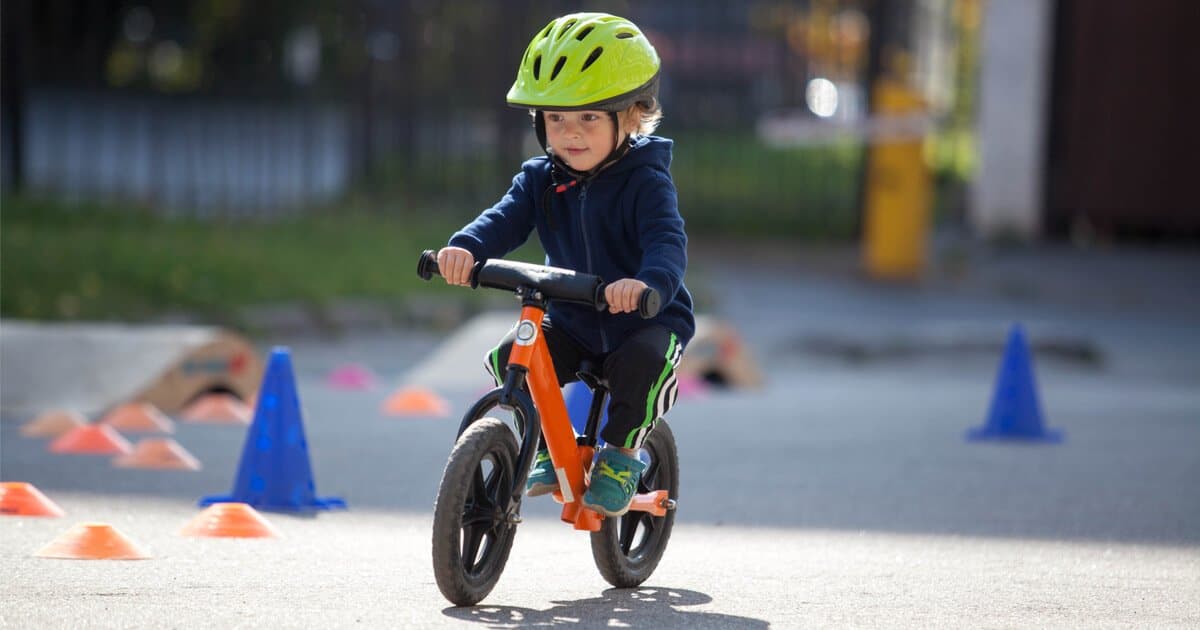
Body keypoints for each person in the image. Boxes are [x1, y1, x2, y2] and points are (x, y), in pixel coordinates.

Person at [436, 12, 694, 518]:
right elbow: (504, 219)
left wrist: (646, 283)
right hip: (574, 317)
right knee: (515, 354)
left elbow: (667, 240)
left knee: (643, 363)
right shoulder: (540, 179)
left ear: (634, 115)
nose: (570, 134)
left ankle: (621, 456)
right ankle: (545, 445)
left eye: (589, 118)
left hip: (642, 319)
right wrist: (466, 247)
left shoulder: (646, 182)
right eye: (557, 119)